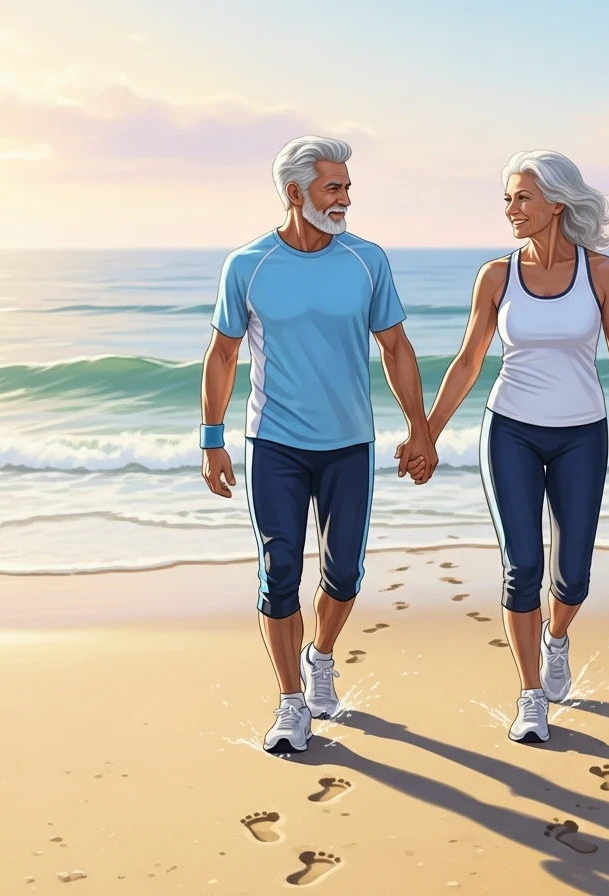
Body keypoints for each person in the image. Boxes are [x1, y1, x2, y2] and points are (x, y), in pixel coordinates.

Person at [200, 135, 438, 754]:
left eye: (348, 187)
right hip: (273, 443)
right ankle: (289, 703)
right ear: (294, 193)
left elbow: (396, 346)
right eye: (335, 187)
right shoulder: (246, 266)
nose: (346, 199)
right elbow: (224, 354)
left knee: (345, 573)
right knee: (279, 572)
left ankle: (321, 655)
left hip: (348, 445)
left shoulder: (367, 261)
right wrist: (212, 439)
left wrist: (419, 427)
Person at [414, 150, 609, 744]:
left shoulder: (602, 273)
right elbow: (469, 361)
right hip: (510, 430)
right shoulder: (496, 276)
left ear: (556, 204)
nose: (511, 209)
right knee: (523, 569)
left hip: (582, 435)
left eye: (522, 198)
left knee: (572, 577)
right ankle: (530, 694)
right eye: (508, 199)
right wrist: (427, 432)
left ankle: (557, 639)